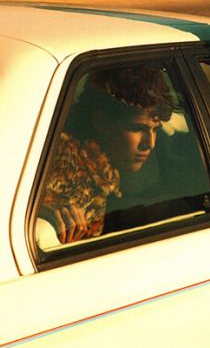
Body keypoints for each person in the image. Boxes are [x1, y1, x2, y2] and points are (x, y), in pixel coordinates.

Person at [39, 64, 174, 244]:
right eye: (136, 128)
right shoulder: (66, 179)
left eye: (155, 130)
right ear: (101, 122)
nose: (150, 143)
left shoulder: (103, 174)